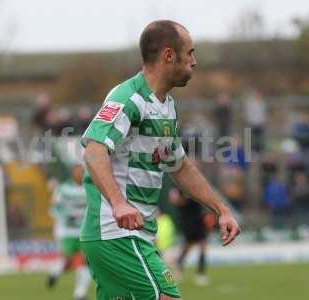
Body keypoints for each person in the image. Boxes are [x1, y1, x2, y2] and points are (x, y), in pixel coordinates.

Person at [80, 20, 240, 300]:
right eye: (189, 53)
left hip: (136, 235)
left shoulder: (167, 108)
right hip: (116, 233)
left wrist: (221, 209)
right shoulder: (129, 98)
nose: (194, 61)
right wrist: (118, 204)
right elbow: (94, 151)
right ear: (169, 55)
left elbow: (179, 166)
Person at [47, 163, 91, 300]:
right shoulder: (63, 189)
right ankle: (54, 273)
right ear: (72, 173)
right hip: (68, 231)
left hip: (84, 230)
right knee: (67, 261)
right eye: (77, 172)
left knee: (85, 260)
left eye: (82, 172)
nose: (80, 174)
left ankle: (80, 294)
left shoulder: (89, 187)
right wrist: (65, 215)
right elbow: (53, 207)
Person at [168, 188, 210, 286]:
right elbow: (174, 200)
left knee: (202, 246)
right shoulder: (178, 187)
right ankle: (178, 267)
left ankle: (201, 273)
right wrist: (183, 200)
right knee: (187, 247)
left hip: (198, 220)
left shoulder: (195, 185)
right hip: (188, 221)